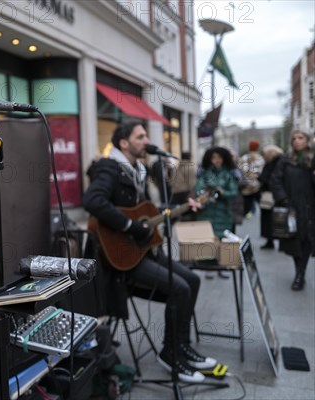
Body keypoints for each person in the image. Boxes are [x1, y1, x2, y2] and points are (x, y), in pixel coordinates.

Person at [83, 119, 216, 384]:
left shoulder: (138, 170)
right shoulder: (110, 167)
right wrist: (131, 226)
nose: (147, 141)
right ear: (124, 143)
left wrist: (183, 209)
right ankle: (170, 354)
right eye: (141, 137)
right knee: (179, 288)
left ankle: (181, 346)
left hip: (143, 251)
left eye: (146, 137)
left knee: (192, 279)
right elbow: (92, 201)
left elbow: (150, 216)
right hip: (121, 259)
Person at [270, 130, 315, 291]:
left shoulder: (312, 160)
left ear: (307, 141)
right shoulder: (285, 160)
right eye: (294, 138)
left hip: (310, 208)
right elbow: (275, 180)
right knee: (294, 240)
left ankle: (300, 274)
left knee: (308, 240)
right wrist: (283, 198)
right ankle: (299, 272)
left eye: (300, 138)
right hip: (292, 207)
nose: (296, 141)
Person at [195, 146, 239, 279]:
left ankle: (224, 265)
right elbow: (199, 189)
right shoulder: (204, 173)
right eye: (214, 157)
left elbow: (233, 192)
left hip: (223, 211)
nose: (217, 160)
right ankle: (210, 266)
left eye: (219, 157)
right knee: (208, 237)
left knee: (224, 237)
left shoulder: (229, 173)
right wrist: (204, 194)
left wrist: (222, 192)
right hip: (207, 210)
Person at [257, 145, 284, 249]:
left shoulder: (274, 164)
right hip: (271, 194)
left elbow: (268, 178)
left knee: (270, 218)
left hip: (270, 195)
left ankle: (270, 239)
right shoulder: (277, 162)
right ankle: (270, 239)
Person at [238, 140, 265, 219]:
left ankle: (247, 215)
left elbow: (240, 170)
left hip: (246, 186)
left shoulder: (244, 158)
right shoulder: (261, 158)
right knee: (263, 207)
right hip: (258, 186)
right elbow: (262, 172)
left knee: (246, 206)